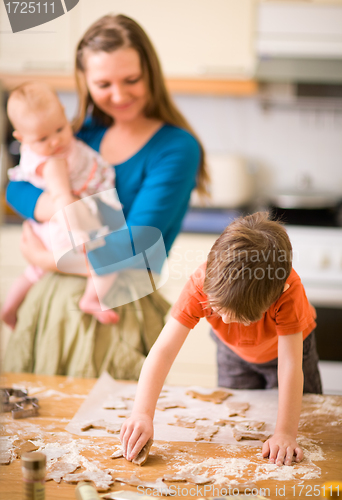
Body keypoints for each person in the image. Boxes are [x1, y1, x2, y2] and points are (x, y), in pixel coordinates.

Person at [3, 14, 208, 379]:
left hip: (117, 309)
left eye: (132, 80)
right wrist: (57, 203)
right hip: (48, 307)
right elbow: (16, 188)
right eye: (103, 83)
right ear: (84, 82)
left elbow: (134, 244)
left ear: (151, 72)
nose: (119, 95)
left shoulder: (176, 148)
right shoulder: (79, 135)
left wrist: (45, 257)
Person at [120, 212, 322, 466]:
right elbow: (163, 351)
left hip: (289, 355)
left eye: (241, 318)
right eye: (217, 310)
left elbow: (290, 367)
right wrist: (142, 413)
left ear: (276, 295)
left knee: (312, 423)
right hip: (231, 353)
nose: (224, 322)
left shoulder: (289, 291)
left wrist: (285, 433)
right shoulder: (201, 283)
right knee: (241, 418)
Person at [1, 81, 122, 329]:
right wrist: (80, 233)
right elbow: (62, 199)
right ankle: (91, 299)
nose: (56, 142)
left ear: (64, 113)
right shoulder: (54, 162)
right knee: (109, 262)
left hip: (49, 227)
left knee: (33, 271)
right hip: (68, 225)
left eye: (60, 129)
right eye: (43, 138)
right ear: (21, 138)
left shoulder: (48, 148)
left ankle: (9, 308)